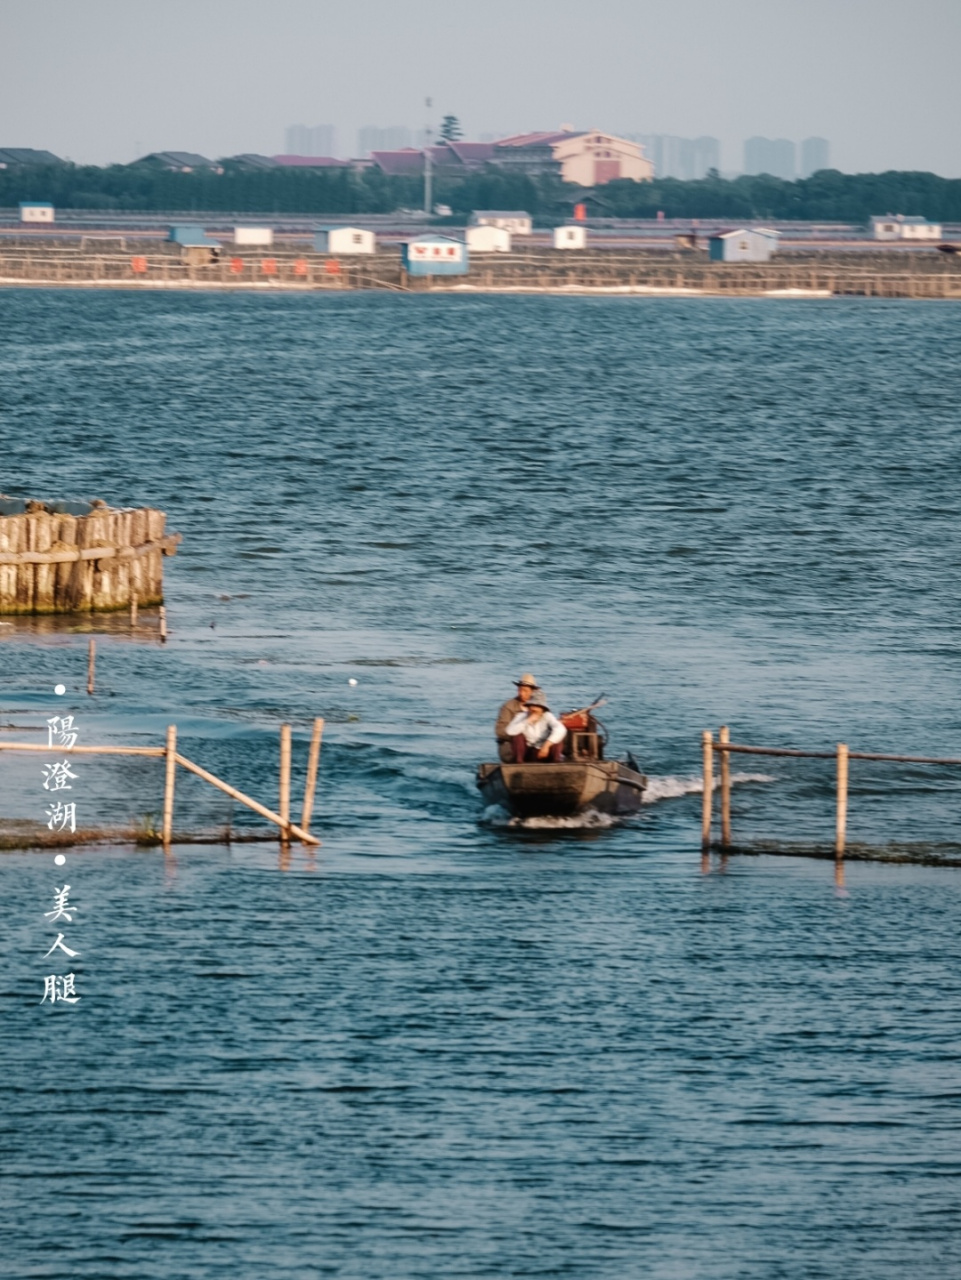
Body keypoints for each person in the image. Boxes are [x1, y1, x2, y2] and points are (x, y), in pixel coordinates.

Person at [506, 690, 567, 763]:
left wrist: (546, 746)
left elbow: (561, 729)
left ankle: (556, 764)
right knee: (517, 737)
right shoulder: (522, 716)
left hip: (545, 750)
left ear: (542, 709)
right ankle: (519, 764)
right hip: (529, 751)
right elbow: (509, 731)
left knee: (557, 739)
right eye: (531, 705)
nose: (533, 708)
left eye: (537, 706)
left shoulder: (548, 716)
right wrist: (527, 721)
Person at [495, 673, 538, 762]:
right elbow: (500, 731)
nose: (522, 693)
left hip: (532, 745)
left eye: (525, 691)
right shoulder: (508, 706)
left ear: (532, 691)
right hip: (510, 747)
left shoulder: (538, 707)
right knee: (519, 737)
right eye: (520, 690)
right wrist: (518, 733)